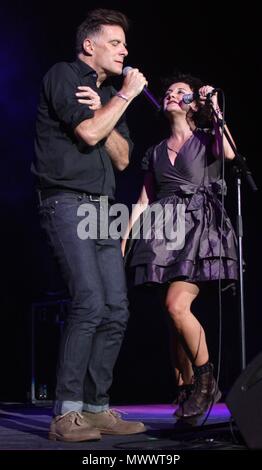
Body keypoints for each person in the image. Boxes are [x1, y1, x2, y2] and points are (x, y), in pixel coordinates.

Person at [32, 8, 148, 442]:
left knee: (116, 309)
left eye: (123, 43)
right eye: (115, 43)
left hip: (102, 207)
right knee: (88, 302)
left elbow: (121, 158)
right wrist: (121, 99)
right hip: (65, 201)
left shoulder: (105, 97)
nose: (125, 51)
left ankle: (97, 408)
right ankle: (67, 414)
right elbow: (89, 136)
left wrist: (111, 104)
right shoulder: (64, 76)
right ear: (90, 45)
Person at [122, 73, 238, 419]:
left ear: (194, 105)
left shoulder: (207, 139)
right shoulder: (155, 151)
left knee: (177, 306)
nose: (171, 95)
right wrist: (126, 238)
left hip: (199, 229)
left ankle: (206, 382)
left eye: (180, 93)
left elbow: (230, 153)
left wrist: (215, 108)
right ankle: (186, 388)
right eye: (169, 92)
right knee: (172, 319)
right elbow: (143, 201)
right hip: (162, 233)